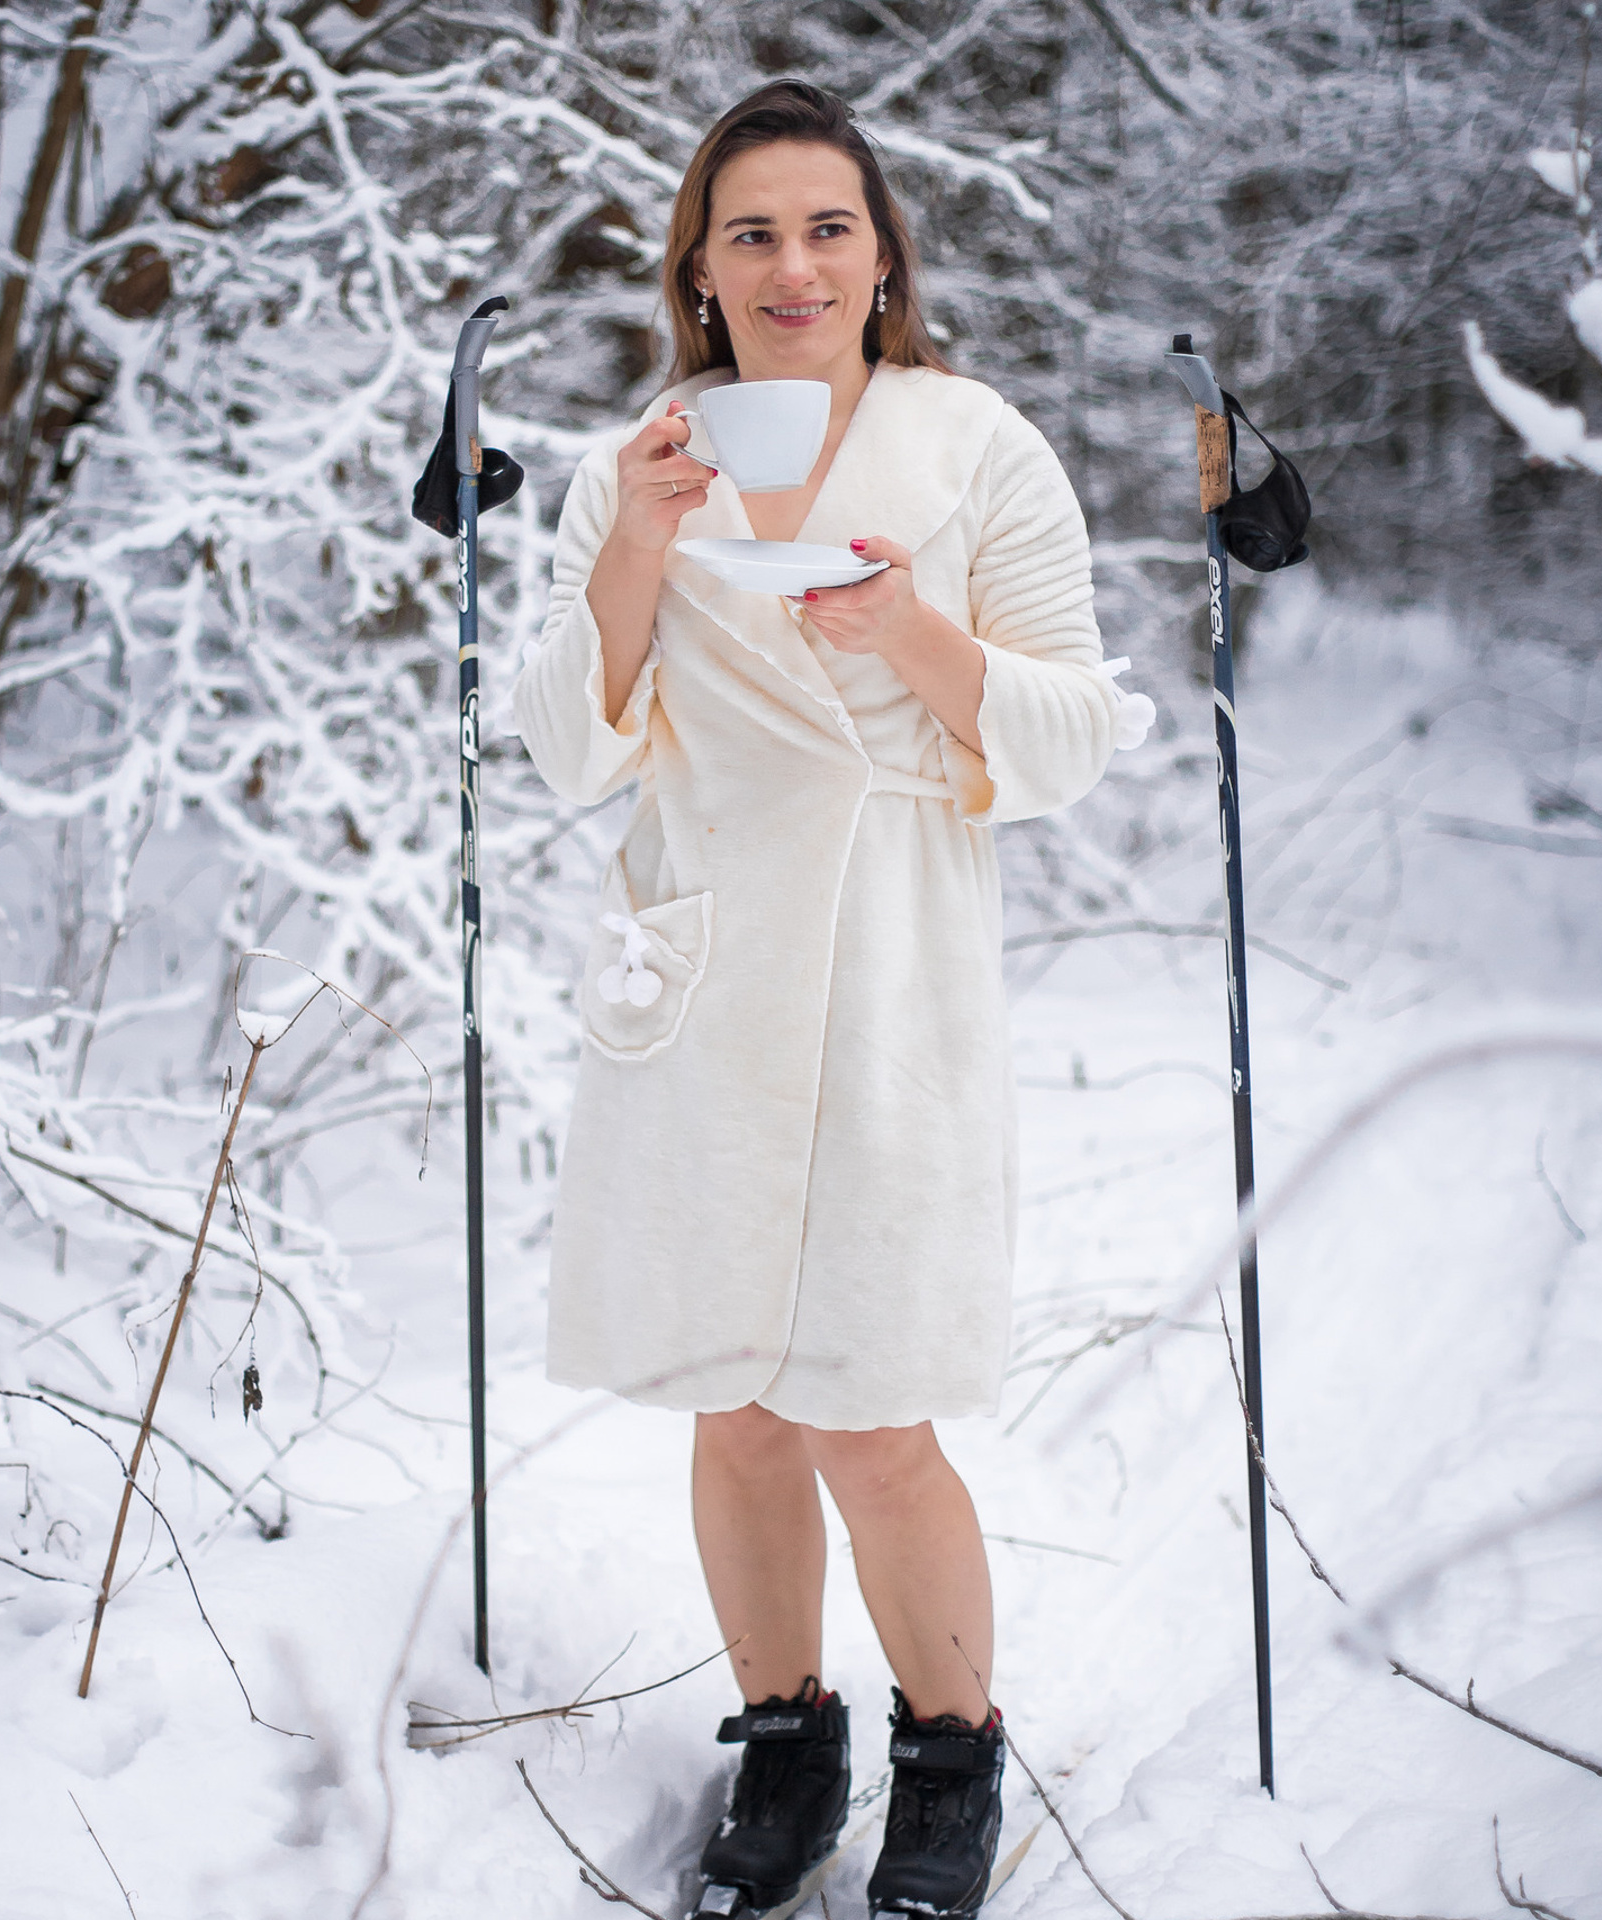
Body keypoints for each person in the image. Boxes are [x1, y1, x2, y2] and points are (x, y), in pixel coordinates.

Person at [514, 79, 1123, 1920]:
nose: (793, 265)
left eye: (827, 229)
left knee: (871, 1404)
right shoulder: (640, 465)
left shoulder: (977, 445)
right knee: (739, 1402)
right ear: (699, 269)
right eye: (753, 232)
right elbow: (564, 751)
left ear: (881, 259)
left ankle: (952, 1753)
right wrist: (634, 542)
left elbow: (1076, 733)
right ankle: (787, 1739)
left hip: (891, 961)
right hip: (700, 962)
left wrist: (907, 631)